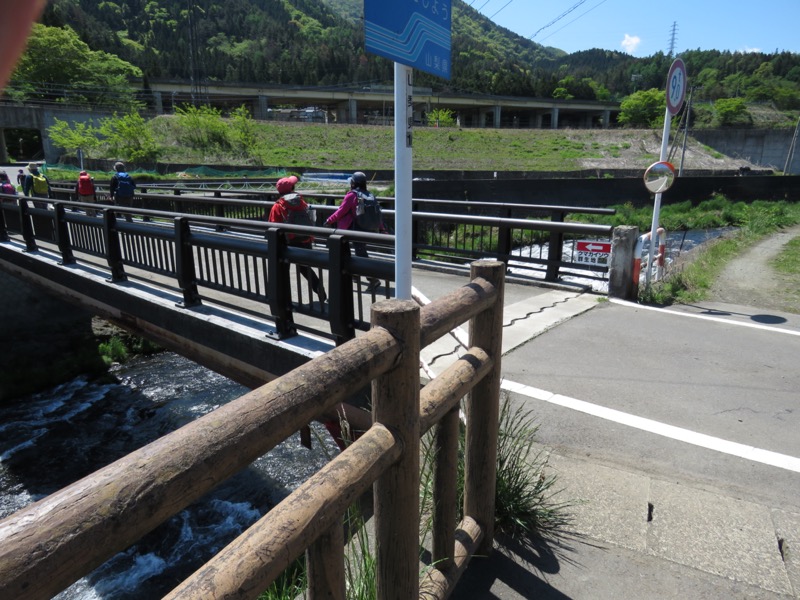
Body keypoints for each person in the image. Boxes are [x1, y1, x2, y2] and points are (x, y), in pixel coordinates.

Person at [268, 176, 327, 303]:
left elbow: (272, 226)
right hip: (305, 240)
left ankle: (285, 299)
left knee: (283, 270)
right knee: (304, 267)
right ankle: (318, 287)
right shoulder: (302, 202)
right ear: (292, 189)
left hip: (289, 243)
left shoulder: (278, 206)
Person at [324, 171, 384, 292]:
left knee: (360, 253)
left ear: (353, 183)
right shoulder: (370, 195)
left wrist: (329, 220)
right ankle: (355, 274)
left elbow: (341, 211)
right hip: (366, 228)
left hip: (352, 229)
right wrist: (381, 228)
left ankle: (373, 279)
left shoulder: (352, 195)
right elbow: (377, 214)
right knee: (357, 251)